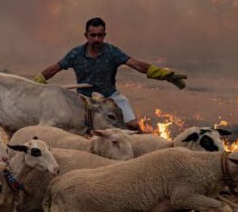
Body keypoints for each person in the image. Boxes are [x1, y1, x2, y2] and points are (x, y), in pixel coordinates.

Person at [33, 17, 187, 131]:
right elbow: (55, 68)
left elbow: (136, 65)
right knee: (85, 134)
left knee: (132, 127)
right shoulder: (75, 54)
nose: (96, 39)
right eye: (93, 35)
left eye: (100, 35)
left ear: (104, 35)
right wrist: (35, 83)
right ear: (86, 35)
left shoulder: (112, 52)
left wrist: (164, 74)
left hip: (111, 97)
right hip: (87, 103)